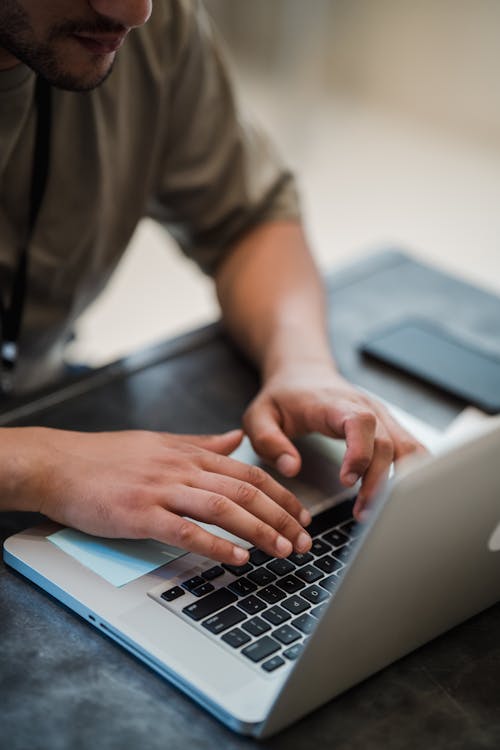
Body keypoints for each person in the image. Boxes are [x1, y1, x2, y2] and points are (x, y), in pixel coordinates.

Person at [0, 0, 424, 565]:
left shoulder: (154, 24)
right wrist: (41, 465)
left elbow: (247, 222)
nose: (136, 12)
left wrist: (301, 364)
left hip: (40, 391)